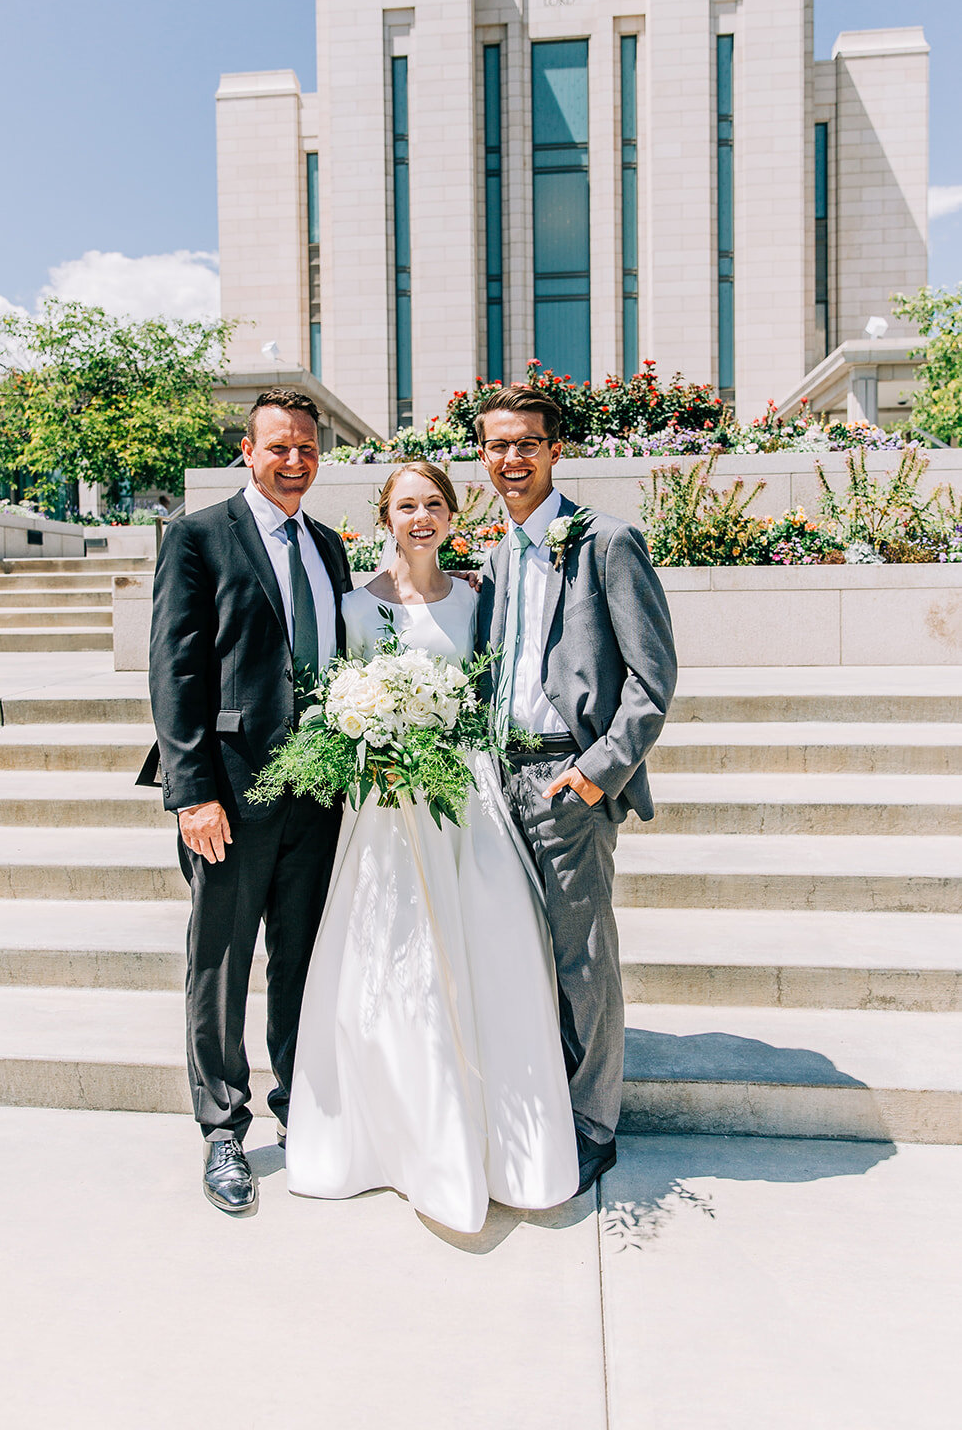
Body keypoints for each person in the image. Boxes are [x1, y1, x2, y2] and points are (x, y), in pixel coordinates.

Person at [285, 461, 579, 1234]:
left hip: (464, 794)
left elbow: (486, 691)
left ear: (452, 514)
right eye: (406, 504)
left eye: (433, 504)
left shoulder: (477, 600)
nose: (421, 516)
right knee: (388, 957)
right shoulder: (353, 606)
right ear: (385, 516)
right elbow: (331, 695)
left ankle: (501, 1134)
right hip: (383, 798)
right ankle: (397, 1133)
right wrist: (364, 735)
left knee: (491, 948)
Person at [143, 388, 352, 1215]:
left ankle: (299, 1108)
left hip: (318, 794)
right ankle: (221, 1126)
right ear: (247, 450)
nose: (293, 460)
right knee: (221, 963)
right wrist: (191, 794)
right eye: (278, 447)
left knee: (304, 963)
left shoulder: (329, 546)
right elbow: (176, 670)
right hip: (229, 793)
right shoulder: (199, 536)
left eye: (305, 447)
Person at [474, 383, 677, 1197]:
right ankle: (540, 1097)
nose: (511, 458)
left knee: (581, 954)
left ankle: (592, 1121)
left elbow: (651, 680)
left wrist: (595, 776)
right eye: (496, 445)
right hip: (496, 777)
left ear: (555, 450)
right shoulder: (492, 558)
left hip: (569, 778)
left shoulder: (607, 542)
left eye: (526, 442)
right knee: (519, 953)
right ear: (482, 456)